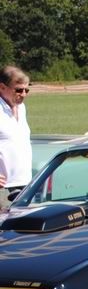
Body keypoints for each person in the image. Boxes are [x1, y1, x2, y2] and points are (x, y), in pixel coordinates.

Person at [0, 66, 32, 211]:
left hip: (25, 185)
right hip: (3, 188)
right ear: (2, 87)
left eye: (26, 90)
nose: (23, 94)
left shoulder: (22, 108)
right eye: (18, 90)